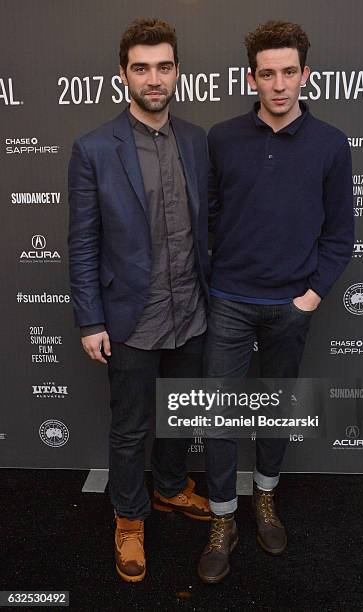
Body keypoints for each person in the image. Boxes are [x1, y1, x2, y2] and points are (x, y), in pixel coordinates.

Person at [198, 20, 354, 583]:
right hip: (228, 303)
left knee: (276, 408)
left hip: (292, 305)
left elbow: (340, 234)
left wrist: (310, 297)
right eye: (268, 74)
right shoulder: (222, 137)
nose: (280, 84)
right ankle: (223, 518)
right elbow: (206, 217)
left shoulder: (331, 144)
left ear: (305, 75)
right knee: (216, 414)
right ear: (253, 78)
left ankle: (265, 498)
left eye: (290, 72)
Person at [68, 17, 211, 583]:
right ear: (123, 73)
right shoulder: (94, 148)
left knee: (180, 413)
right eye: (142, 67)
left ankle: (172, 486)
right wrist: (90, 320)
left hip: (192, 312)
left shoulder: (198, 140)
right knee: (130, 427)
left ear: (177, 71)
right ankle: (130, 517)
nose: (155, 78)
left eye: (165, 66)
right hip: (129, 317)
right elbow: (83, 241)